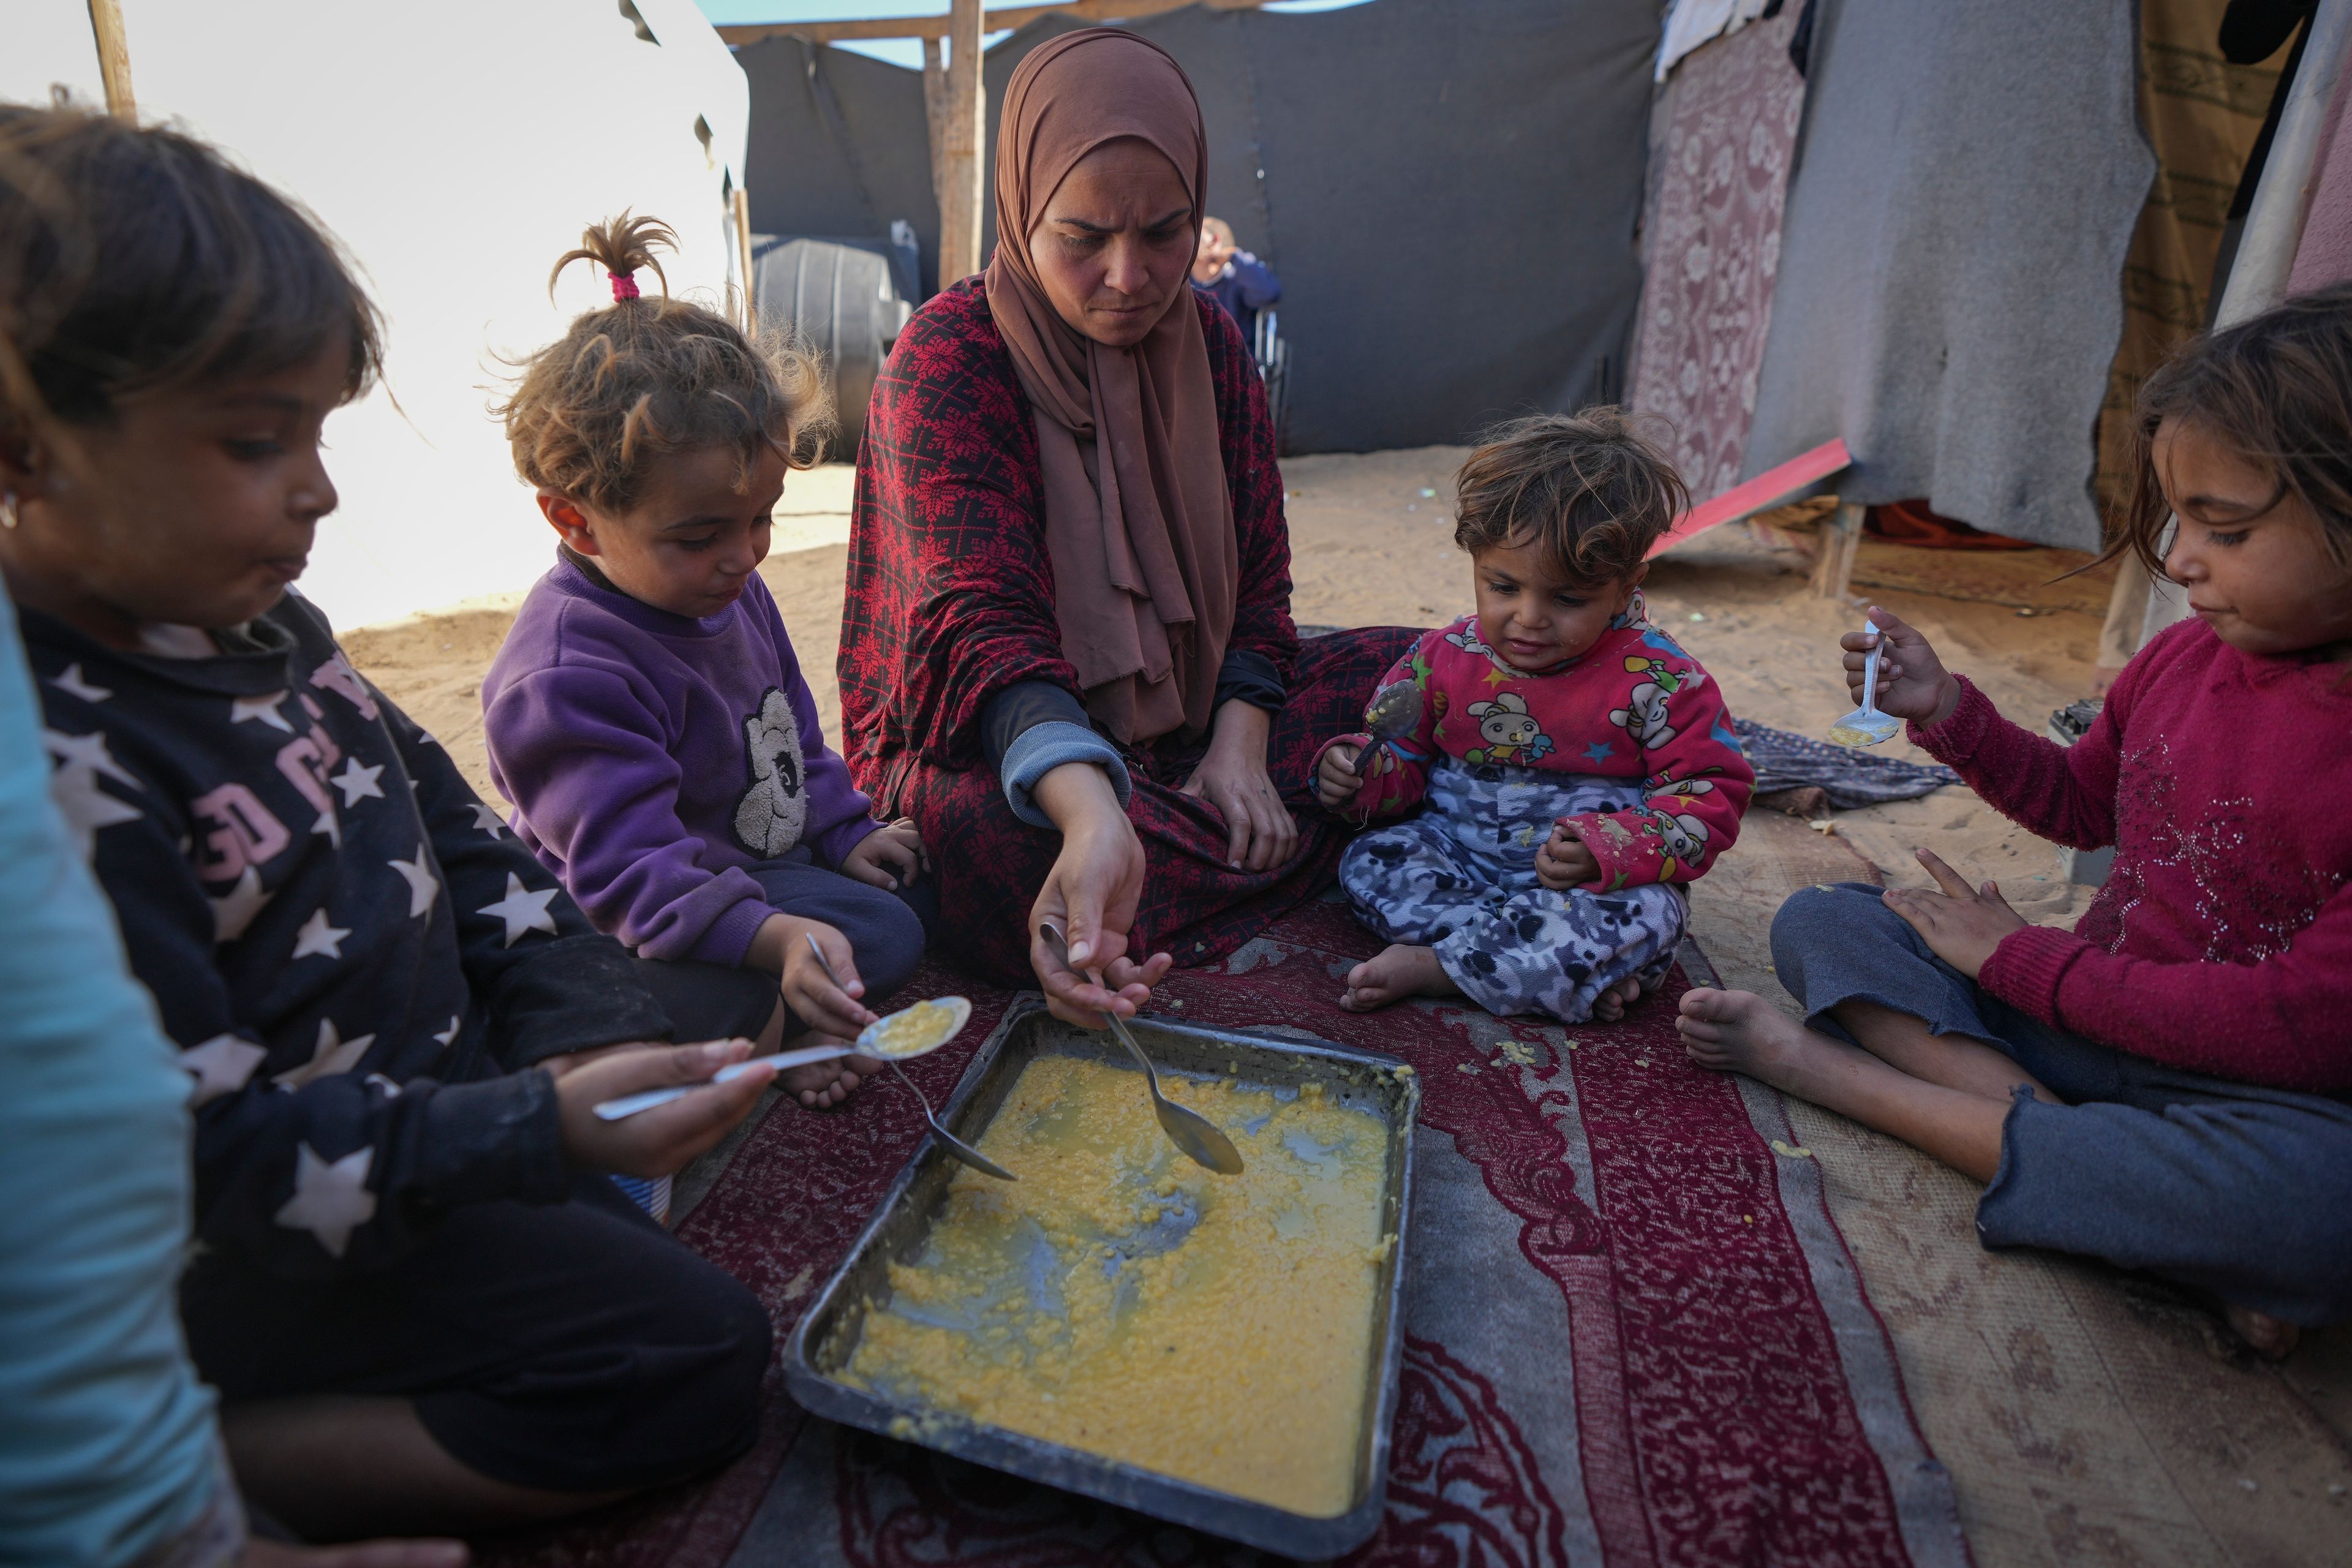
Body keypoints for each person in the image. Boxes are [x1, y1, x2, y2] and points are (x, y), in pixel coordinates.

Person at [0, 105, 778, 1540]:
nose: (319, 489)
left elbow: (463, 839)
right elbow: (212, 1164)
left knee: (669, 1097)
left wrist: (581, 1039)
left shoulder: (272, 621)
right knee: (697, 1361)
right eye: (253, 441)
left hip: (443, 1106)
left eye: (315, 432)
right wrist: (524, 1131)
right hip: (284, 1226)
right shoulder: (51, 772)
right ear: (29, 446)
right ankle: (241, 1463)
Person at [1678, 287, 2352, 1355]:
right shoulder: (2181, 660)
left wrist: (2022, 965)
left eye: (2226, 530)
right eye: (2179, 521)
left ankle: (1841, 1080)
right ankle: (2103, 1175)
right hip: (2087, 1035)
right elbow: (2085, 802)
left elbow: (2301, 1030)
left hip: (2269, 1093)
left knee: (2324, 1212)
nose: (2179, 560)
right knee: (1831, 921)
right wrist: (1944, 709)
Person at [839, 29, 1414, 1022]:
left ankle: (1183, 848)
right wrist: (1090, 807)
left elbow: (1261, 595)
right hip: (1005, 744)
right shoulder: (950, 357)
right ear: (1022, 209)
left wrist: (1238, 749)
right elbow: (981, 629)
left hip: (1188, 725)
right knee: (987, 852)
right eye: (1083, 237)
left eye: (1164, 234)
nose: (1129, 277)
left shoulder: (1213, 348)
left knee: (1445, 678)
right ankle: (1284, 831)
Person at [483, 215, 932, 1140]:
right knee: (794, 971)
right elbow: (631, 876)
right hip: (637, 921)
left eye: (761, 520)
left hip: (757, 873)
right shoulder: (566, 675)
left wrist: (846, 832)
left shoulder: (726, 589)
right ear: (575, 521)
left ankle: (786, 999)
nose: (743, 558)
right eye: (698, 537)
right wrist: (778, 942)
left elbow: (791, 735)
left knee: (910, 899)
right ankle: (774, 1029)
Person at [1315, 412, 1752, 1022]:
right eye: (1502, 587)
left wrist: (1608, 848)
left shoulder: (1664, 680)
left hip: (1581, 893)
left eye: (1568, 599)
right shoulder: (1441, 658)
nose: (1528, 618)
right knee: (1372, 862)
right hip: (1458, 866)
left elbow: (1710, 799)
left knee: (1649, 914)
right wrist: (1359, 775)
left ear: (1627, 587)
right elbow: (1401, 761)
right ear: (1475, 562)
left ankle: (1447, 966)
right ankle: (1543, 964)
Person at [1190, 215, 1280, 347]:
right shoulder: (1181, 284)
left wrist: (1233, 256)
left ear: (1215, 240)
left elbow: (1269, 293)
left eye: (1197, 231)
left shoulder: (1235, 281)